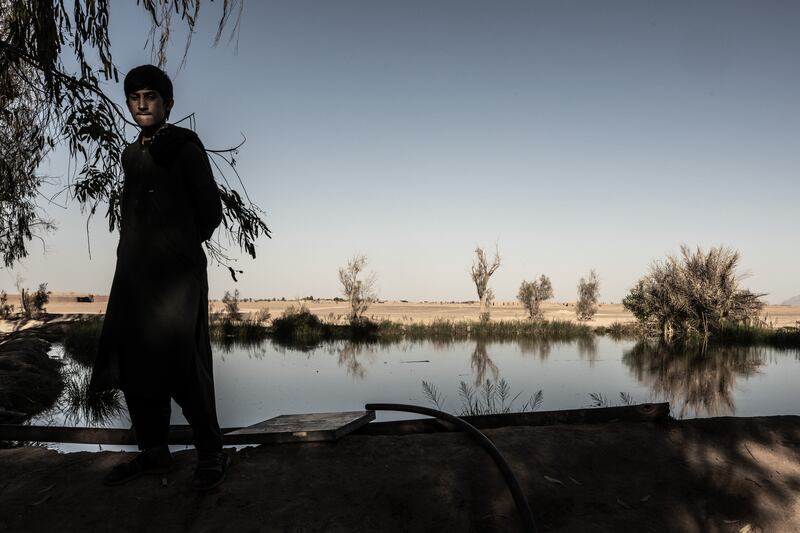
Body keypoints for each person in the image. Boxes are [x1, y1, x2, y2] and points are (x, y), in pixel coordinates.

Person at [89, 64, 229, 490]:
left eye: (152, 96)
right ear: (129, 104)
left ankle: (210, 452)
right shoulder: (129, 156)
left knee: (183, 360)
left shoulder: (186, 147)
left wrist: (178, 250)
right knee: (135, 362)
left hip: (177, 278)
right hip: (133, 276)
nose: (143, 103)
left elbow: (211, 212)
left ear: (168, 103)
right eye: (135, 97)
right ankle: (154, 452)